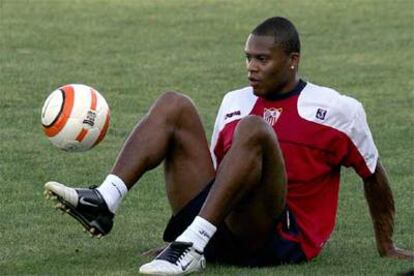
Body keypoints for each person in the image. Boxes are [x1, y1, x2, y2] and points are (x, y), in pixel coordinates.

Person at [44, 17, 413, 275]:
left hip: (281, 237)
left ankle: (191, 246)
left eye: (262, 59)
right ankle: (106, 200)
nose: (251, 67)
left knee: (253, 130)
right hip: (229, 224)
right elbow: (222, 179)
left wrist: (387, 245)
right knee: (175, 103)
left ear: (292, 61)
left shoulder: (337, 110)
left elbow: (373, 176)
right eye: (248, 58)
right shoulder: (233, 101)